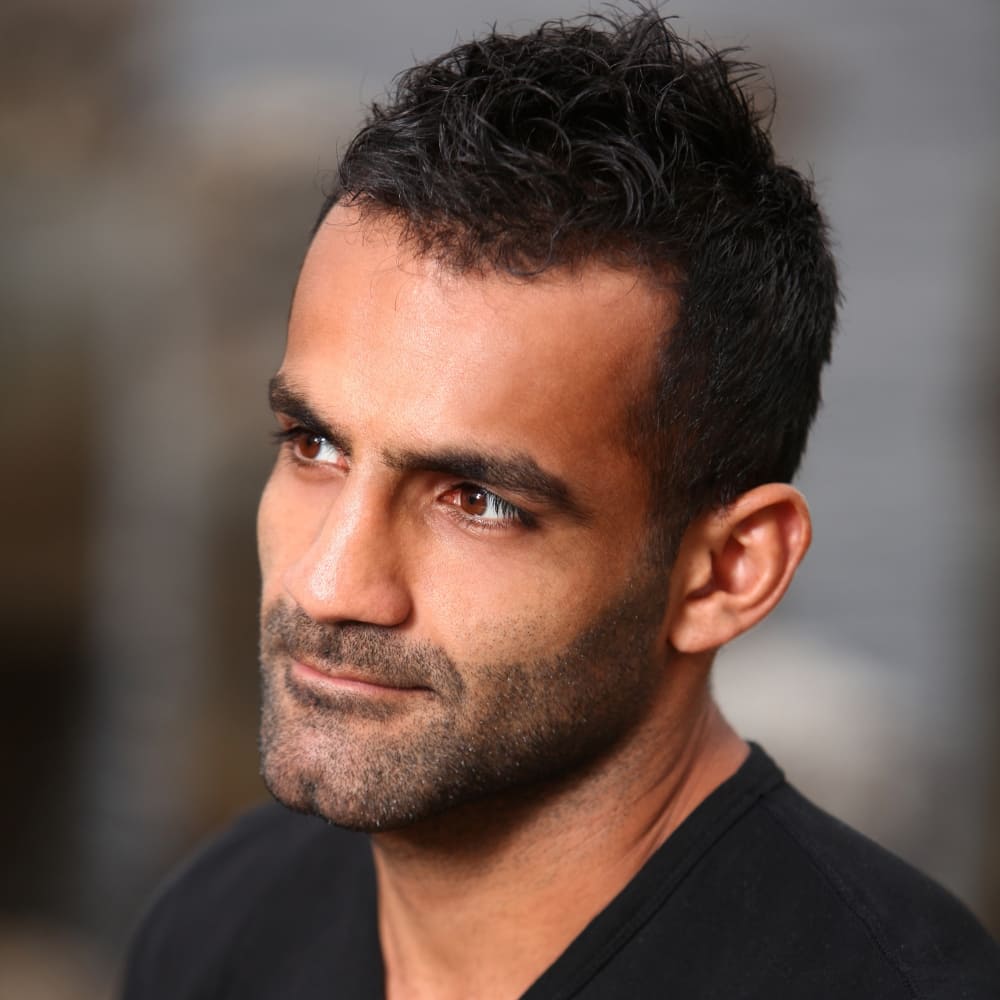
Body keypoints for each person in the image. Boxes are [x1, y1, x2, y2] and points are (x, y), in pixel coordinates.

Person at [121, 8, 1000, 999]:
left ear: (728, 570)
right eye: (314, 445)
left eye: (477, 501)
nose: (329, 582)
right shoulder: (226, 920)